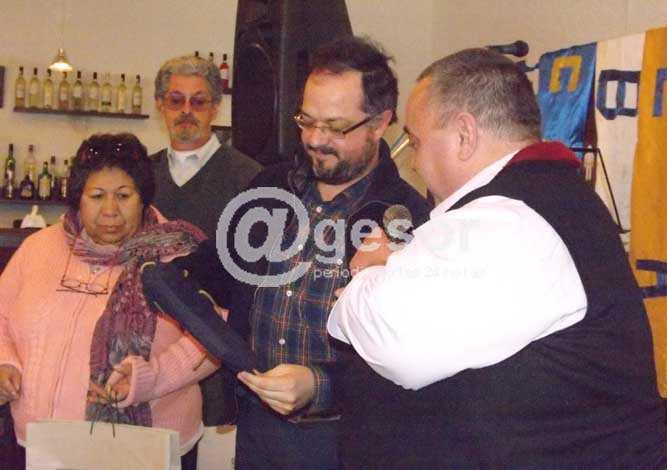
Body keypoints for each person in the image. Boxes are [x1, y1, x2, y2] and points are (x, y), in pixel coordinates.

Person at [327, 48, 667, 468]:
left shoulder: (510, 219)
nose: (416, 164)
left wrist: (370, 270)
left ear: (464, 135)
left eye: (416, 143)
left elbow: (394, 341)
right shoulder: (538, 200)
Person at [218, 36, 431, 468]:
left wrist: (321, 384)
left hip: (350, 440)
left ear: (379, 123)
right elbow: (226, 276)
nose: (315, 139)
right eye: (307, 121)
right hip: (257, 428)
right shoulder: (268, 188)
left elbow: (415, 353)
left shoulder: (409, 219)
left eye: (335, 127)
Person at [0, 133, 219, 470]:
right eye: (97, 196)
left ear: (143, 198)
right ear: (78, 198)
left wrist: (151, 377)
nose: (110, 210)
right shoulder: (38, 248)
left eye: (123, 196)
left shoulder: (178, 255)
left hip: (146, 449)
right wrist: (6, 362)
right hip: (39, 445)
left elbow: (216, 336)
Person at [151, 54, 261, 468]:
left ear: (215, 107)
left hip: (219, 361)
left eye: (198, 101)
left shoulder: (250, 178)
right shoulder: (139, 177)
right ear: (160, 104)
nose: (186, 111)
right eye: (175, 100)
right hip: (149, 357)